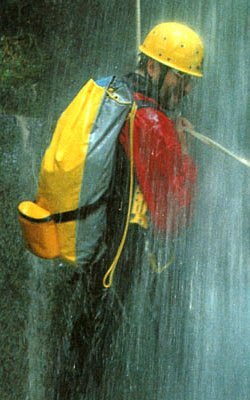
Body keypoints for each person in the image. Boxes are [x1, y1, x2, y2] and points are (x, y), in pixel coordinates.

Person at [55, 21, 204, 399]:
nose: (187, 89)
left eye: (190, 81)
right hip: (118, 266)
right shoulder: (152, 122)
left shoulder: (116, 96)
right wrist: (183, 151)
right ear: (154, 68)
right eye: (181, 78)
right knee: (94, 365)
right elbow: (175, 216)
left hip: (93, 252)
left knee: (81, 357)